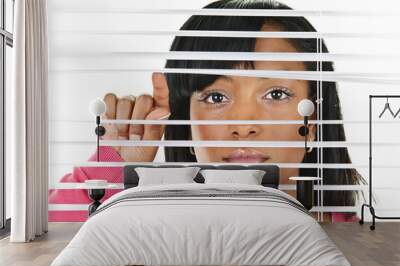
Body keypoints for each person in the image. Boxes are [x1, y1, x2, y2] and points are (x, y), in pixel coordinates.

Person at [49, 0, 364, 222]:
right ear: (185, 119)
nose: (243, 126)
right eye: (215, 98)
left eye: (276, 93)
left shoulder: (346, 238)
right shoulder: (156, 222)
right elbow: (47, 228)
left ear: (312, 123)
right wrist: (113, 165)